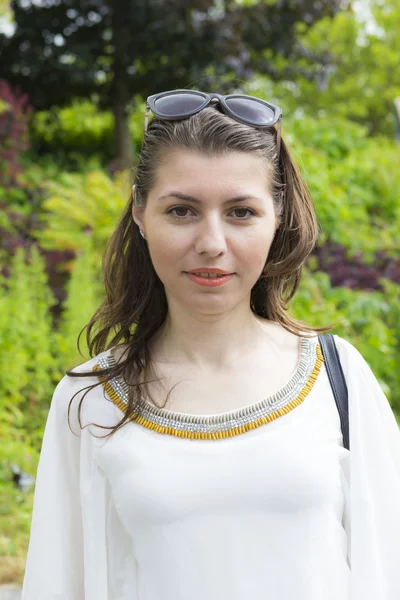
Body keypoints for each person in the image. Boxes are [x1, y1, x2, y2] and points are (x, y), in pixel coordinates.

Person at [21, 90, 400, 600]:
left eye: (241, 212)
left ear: (278, 215)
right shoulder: (89, 400)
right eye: (181, 211)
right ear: (139, 212)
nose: (212, 243)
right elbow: (57, 584)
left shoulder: (338, 378)